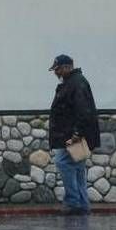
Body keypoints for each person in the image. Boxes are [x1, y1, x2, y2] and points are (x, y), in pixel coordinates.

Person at [48, 54, 100, 214]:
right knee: (77, 167)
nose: (56, 73)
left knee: (63, 162)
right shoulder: (74, 82)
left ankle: (73, 201)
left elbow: (83, 111)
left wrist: (77, 133)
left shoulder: (76, 84)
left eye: (57, 69)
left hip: (72, 135)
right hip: (73, 134)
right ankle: (82, 204)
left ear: (67, 67)